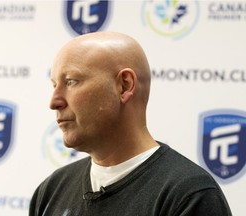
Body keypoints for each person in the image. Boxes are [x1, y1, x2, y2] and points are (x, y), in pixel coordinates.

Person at [29, 32, 232, 216]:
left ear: (124, 86)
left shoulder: (188, 196)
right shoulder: (51, 190)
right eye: (55, 85)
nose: (54, 101)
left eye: (71, 81)